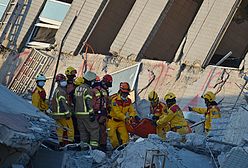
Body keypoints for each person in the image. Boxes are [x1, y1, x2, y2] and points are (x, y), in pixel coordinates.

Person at [107, 82, 140, 149]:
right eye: (124, 93)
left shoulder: (128, 101)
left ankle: (125, 149)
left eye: (126, 94)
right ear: (121, 92)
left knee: (125, 136)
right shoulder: (115, 100)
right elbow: (117, 113)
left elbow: (132, 110)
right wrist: (125, 118)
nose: (125, 95)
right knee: (112, 136)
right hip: (112, 121)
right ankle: (116, 149)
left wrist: (133, 116)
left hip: (122, 121)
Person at [74, 71, 100, 148]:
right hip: (86, 114)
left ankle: (84, 147)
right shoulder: (88, 90)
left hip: (78, 114)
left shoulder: (77, 88)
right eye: (93, 81)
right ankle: (93, 147)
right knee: (94, 129)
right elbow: (88, 101)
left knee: (83, 131)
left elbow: (75, 100)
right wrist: (91, 113)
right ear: (90, 80)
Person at [51, 74, 74, 147]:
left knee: (59, 129)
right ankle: (70, 143)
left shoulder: (57, 90)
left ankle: (60, 142)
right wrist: (67, 114)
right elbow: (62, 103)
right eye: (62, 81)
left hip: (56, 114)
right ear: (58, 82)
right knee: (70, 127)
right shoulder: (61, 91)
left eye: (64, 80)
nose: (64, 82)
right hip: (62, 114)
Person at [92, 76, 109, 151]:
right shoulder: (101, 91)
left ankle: (98, 146)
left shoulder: (94, 89)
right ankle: (101, 145)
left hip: (99, 113)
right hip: (100, 113)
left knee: (98, 130)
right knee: (101, 130)